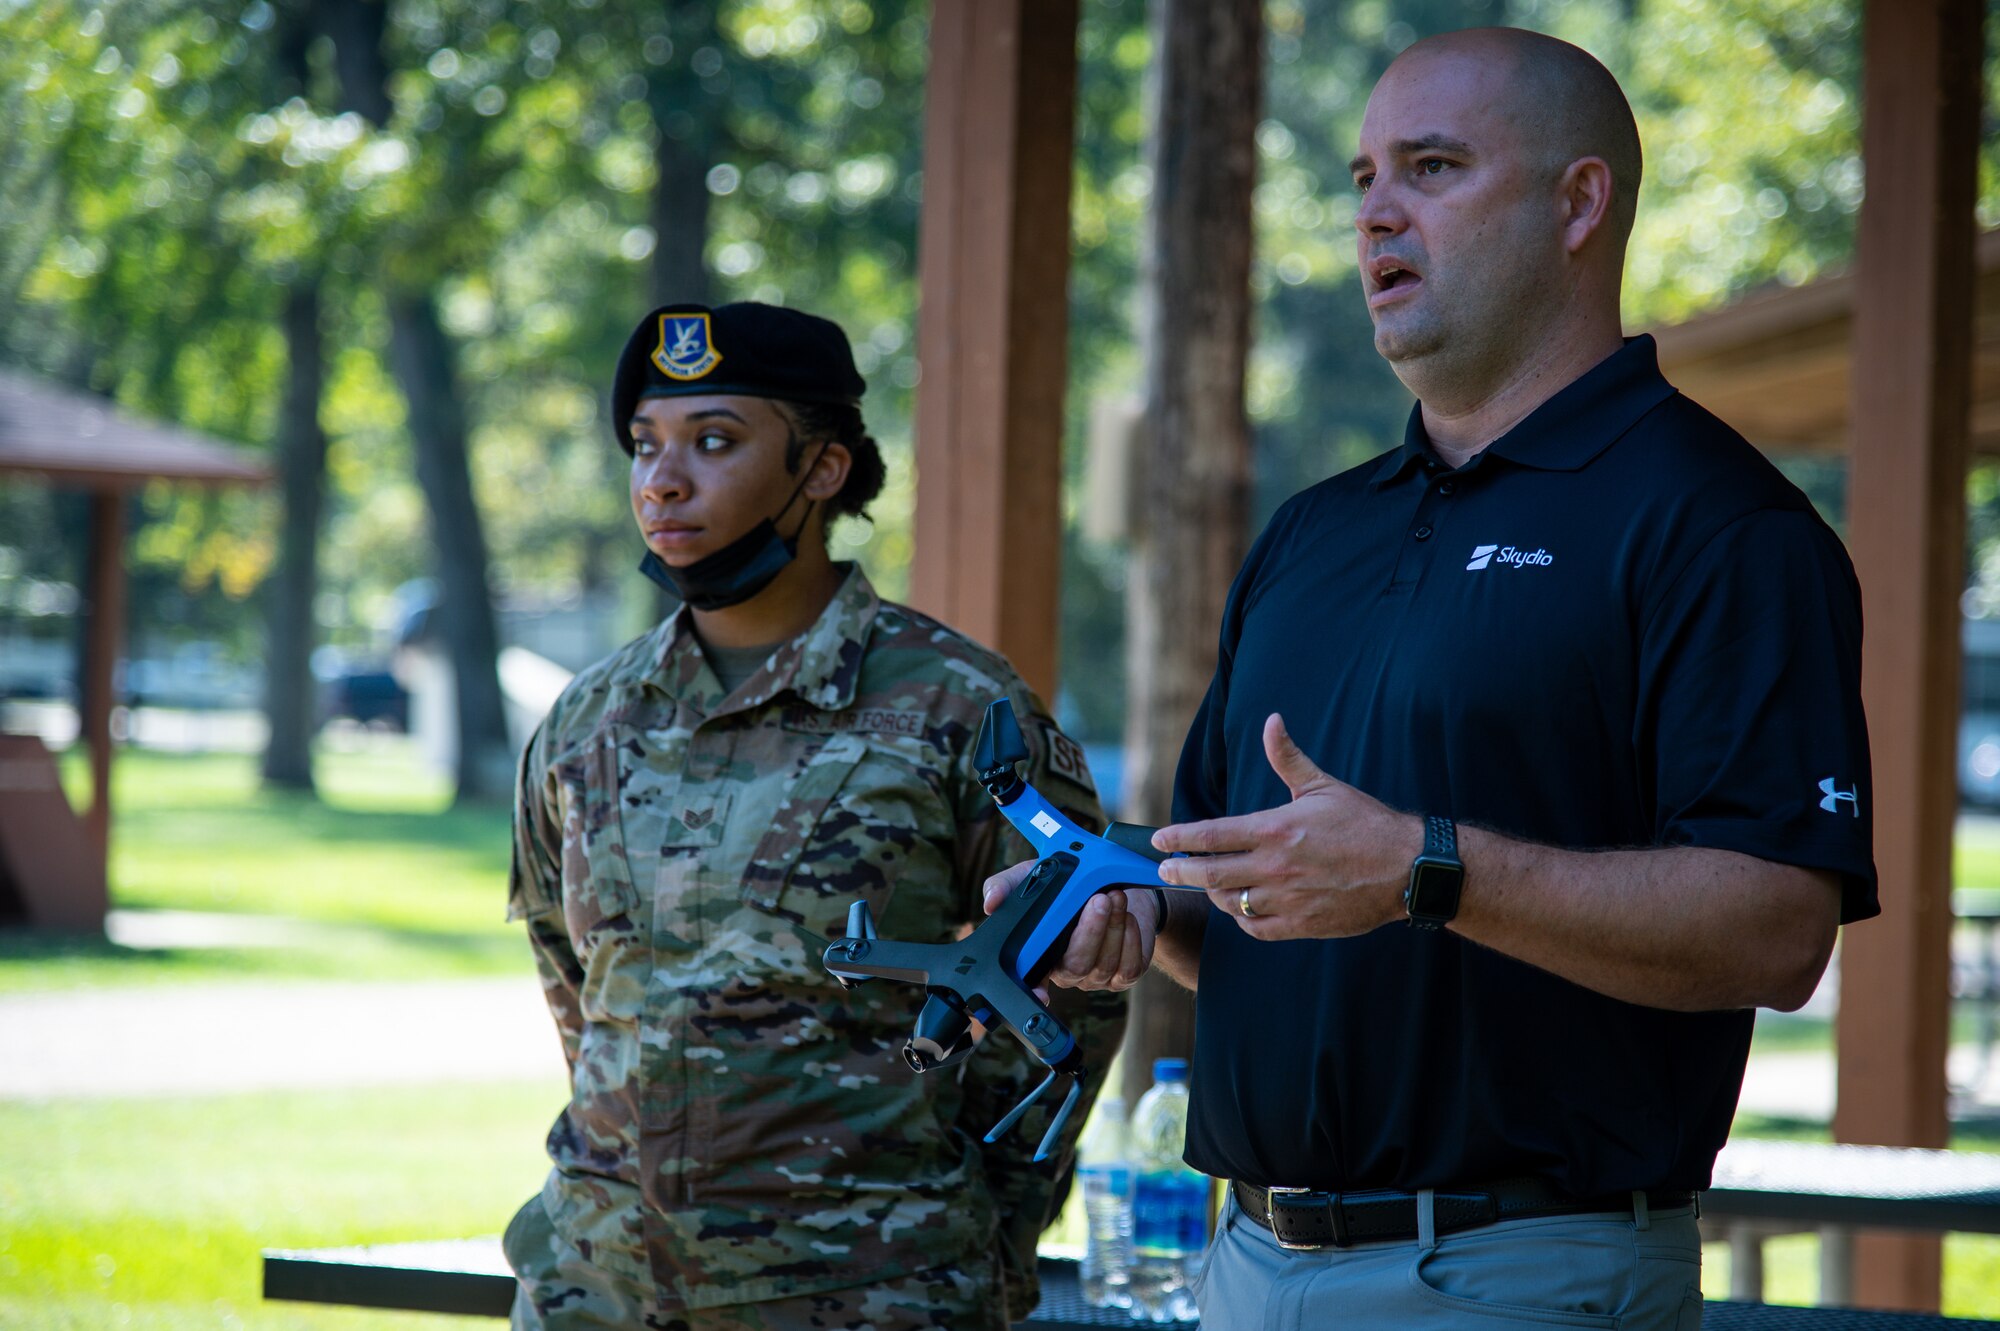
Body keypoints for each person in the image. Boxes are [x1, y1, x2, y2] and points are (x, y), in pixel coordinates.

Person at [991, 26, 1877, 1329]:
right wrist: (1113, 899)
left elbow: (1778, 928)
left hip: (1517, 1272)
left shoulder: (1719, 525)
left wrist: (1430, 868)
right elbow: (1246, 896)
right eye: (1360, 180)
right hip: (1242, 1263)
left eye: (1434, 167)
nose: (1376, 215)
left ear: (1579, 202)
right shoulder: (1312, 531)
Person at [505, 301, 1124, 1330]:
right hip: (598, 1292)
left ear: (823, 467)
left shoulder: (959, 706)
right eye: (645, 445)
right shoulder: (585, 719)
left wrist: (980, 1224)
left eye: (713, 441)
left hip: (868, 1295)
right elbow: (572, 977)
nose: (662, 480)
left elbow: (1078, 988)